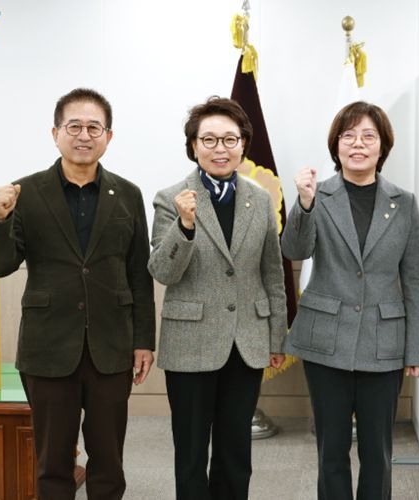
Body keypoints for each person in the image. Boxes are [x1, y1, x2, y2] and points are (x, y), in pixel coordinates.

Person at [0, 88, 156, 499]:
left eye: (94, 127)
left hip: (111, 346)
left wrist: (143, 340)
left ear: (108, 136)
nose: (84, 135)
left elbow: (138, 272)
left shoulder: (128, 194)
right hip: (48, 346)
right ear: (55, 133)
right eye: (74, 126)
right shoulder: (24, 193)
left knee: (109, 461)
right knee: (52, 463)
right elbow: (0, 265)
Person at [281, 101, 419, 500]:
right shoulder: (317, 195)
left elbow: (416, 279)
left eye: (368, 136)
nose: (358, 144)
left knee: (377, 452)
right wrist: (304, 203)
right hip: (325, 340)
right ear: (336, 146)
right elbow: (294, 250)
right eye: (348, 136)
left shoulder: (403, 202)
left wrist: (417, 347)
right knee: (330, 450)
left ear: (383, 147)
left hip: (383, 343)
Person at [148, 96, 287, 500]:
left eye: (229, 139)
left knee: (235, 452)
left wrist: (276, 337)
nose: (219, 148)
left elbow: (272, 273)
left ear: (243, 145)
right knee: (191, 452)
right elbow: (162, 271)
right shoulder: (171, 198)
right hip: (190, 342)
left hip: (246, 340)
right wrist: (185, 227)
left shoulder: (260, 199)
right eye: (209, 139)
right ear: (193, 146)